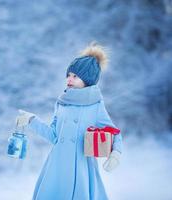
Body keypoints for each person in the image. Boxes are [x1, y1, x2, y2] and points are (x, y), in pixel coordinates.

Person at [16, 42, 123, 200]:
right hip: (57, 165)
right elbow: (54, 136)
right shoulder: (62, 103)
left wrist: (115, 154)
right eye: (68, 75)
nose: (69, 79)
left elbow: (114, 133)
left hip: (81, 167)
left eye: (75, 76)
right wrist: (32, 120)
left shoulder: (95, 105)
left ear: (87, 79)